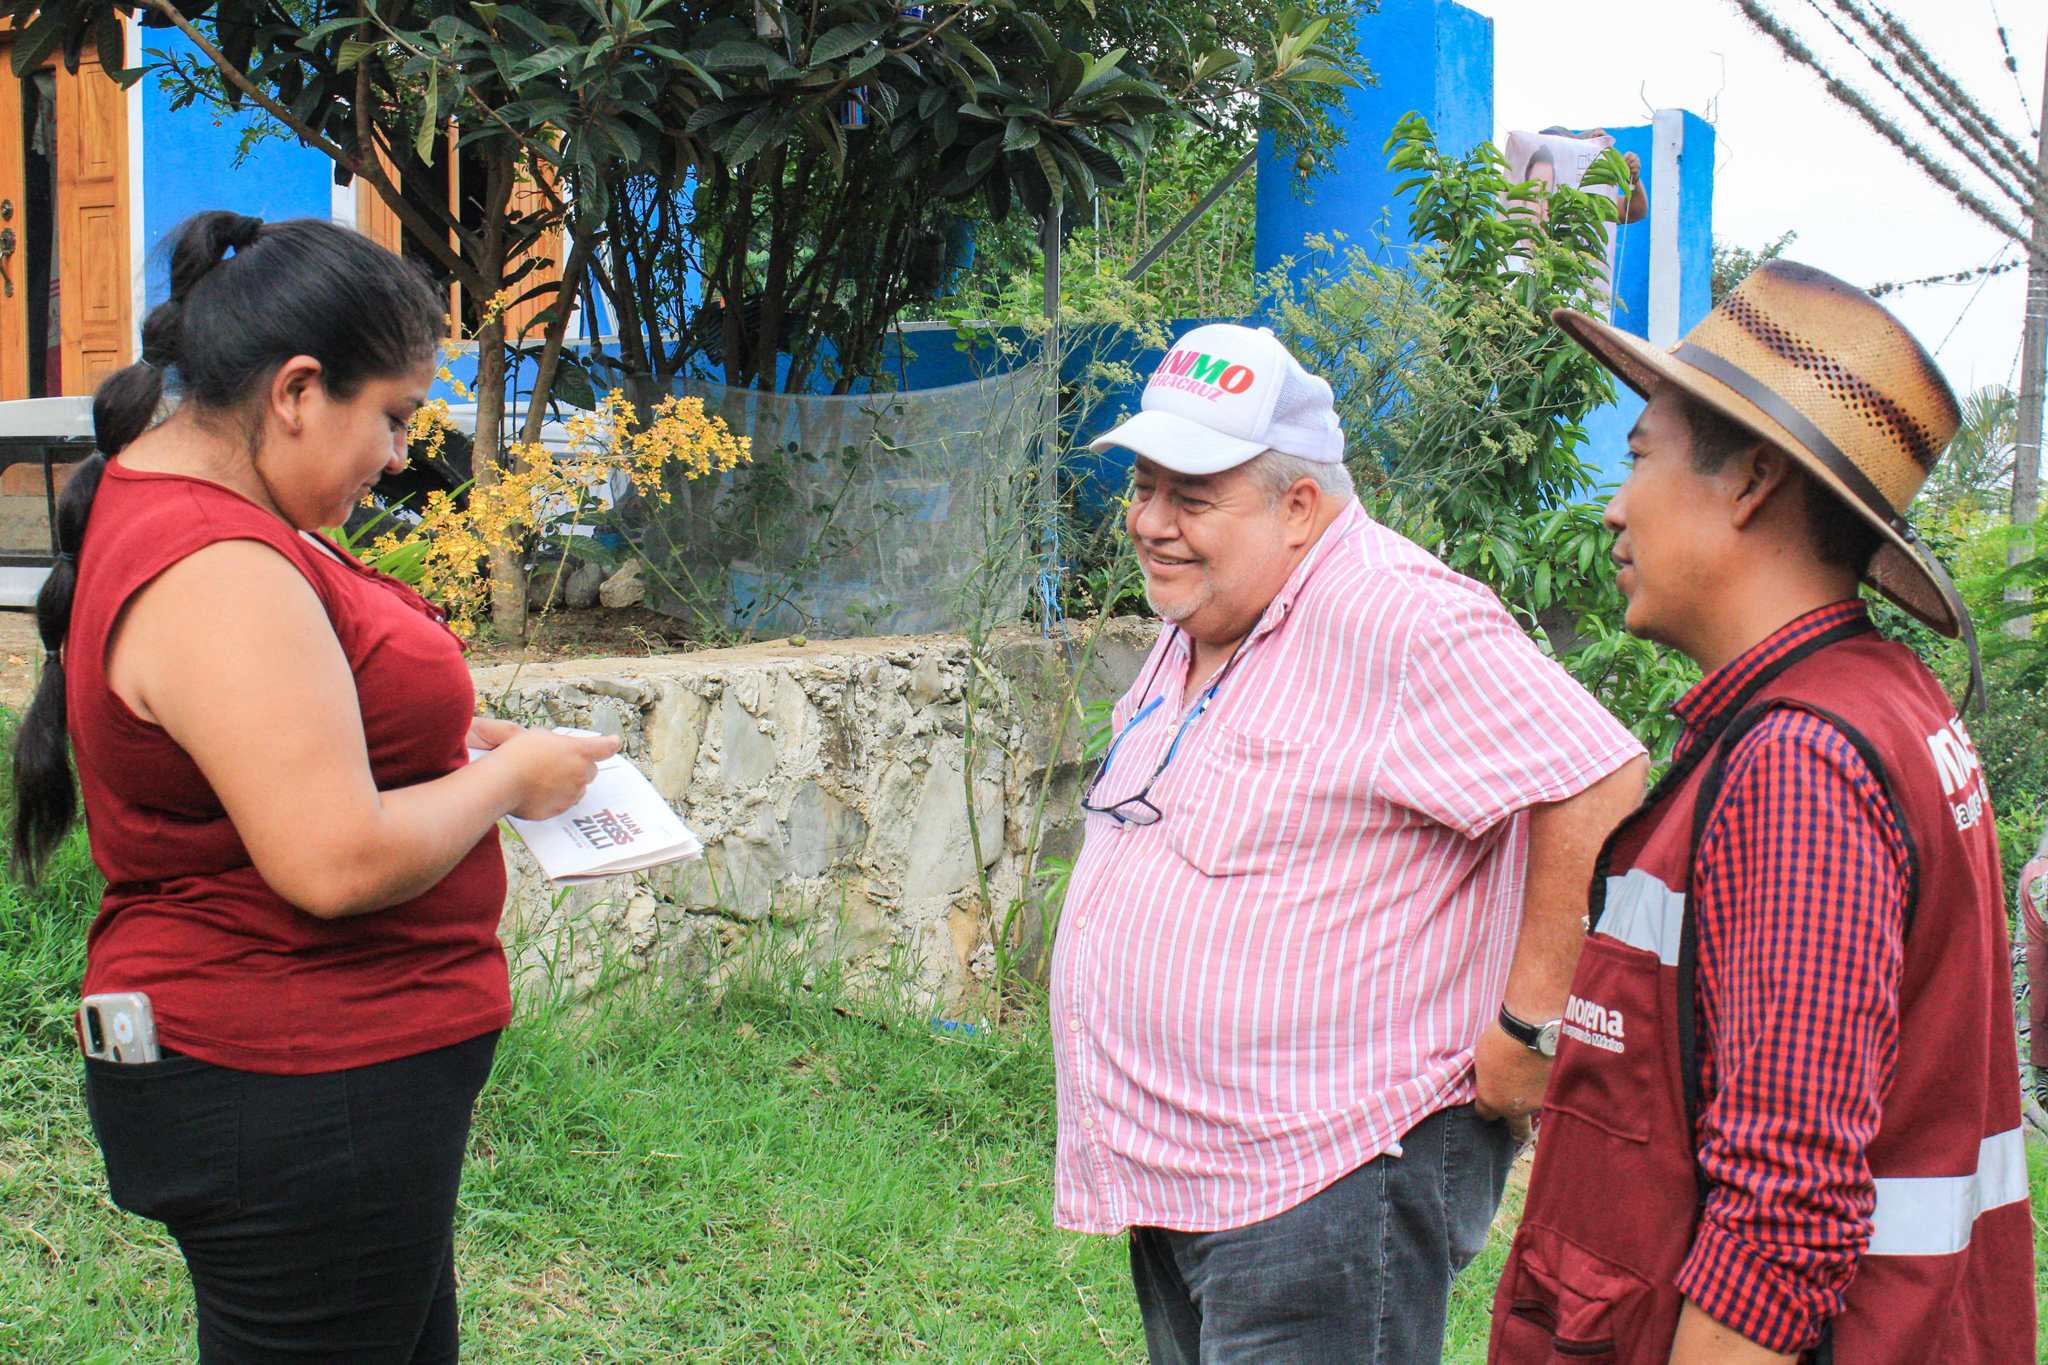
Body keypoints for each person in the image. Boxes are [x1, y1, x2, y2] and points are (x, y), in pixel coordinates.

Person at [15, 212, 618, 1363]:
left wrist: (453, 739)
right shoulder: (218, 570)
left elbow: (283, 725)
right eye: (390, 415)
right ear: (297, 390)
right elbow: (332, 860)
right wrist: (508, 783)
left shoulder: (231, 510)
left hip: (317, 1082)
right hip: (293, 1083)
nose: (399, 453)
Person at [1053, 322, 1648, 1365]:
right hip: (1192, 1166)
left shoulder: (1394, 614)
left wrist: (1528, 1027)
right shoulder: (1206, 605)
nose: (1149, 522)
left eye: (1189, 498)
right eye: (1143, 487)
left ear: (1298, 506)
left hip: (1328, 1172)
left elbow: (1595, 775)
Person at [1492, 260, 2034, 1365]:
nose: (1611, 505)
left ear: (1747, 482)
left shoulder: (1798, 762)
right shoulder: (1874, 698)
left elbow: (1779, 1222)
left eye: (1637, 457)